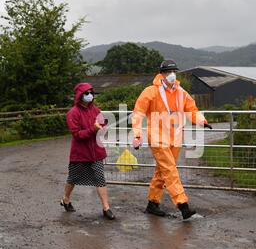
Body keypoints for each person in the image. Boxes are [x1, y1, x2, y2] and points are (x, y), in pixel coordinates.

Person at [132, 60, 211, 220]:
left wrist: (202, 121)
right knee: (170, 170)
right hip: (157, 138)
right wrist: (137, 135)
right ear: (161, 74)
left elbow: (192, 109)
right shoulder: (150, 92)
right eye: (168, 72)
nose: (172, 75)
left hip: (175, 138)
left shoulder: (181, 92)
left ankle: (152, 204)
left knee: (162, 171)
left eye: (174, 71)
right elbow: (138, 113)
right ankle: (183, 205)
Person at [61, 82, 115, 220]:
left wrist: (103, 127)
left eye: (91, 92)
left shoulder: (96, 110)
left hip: (96, 152)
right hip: (80, 154)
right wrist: (93, 130)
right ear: (80, 95)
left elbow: (101, 125)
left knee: (100, 178)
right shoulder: (72, 113)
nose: (89, 95)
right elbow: (77, 134)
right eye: (86, 93)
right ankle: (66, 199)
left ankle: (106, 207)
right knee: (72, 178)